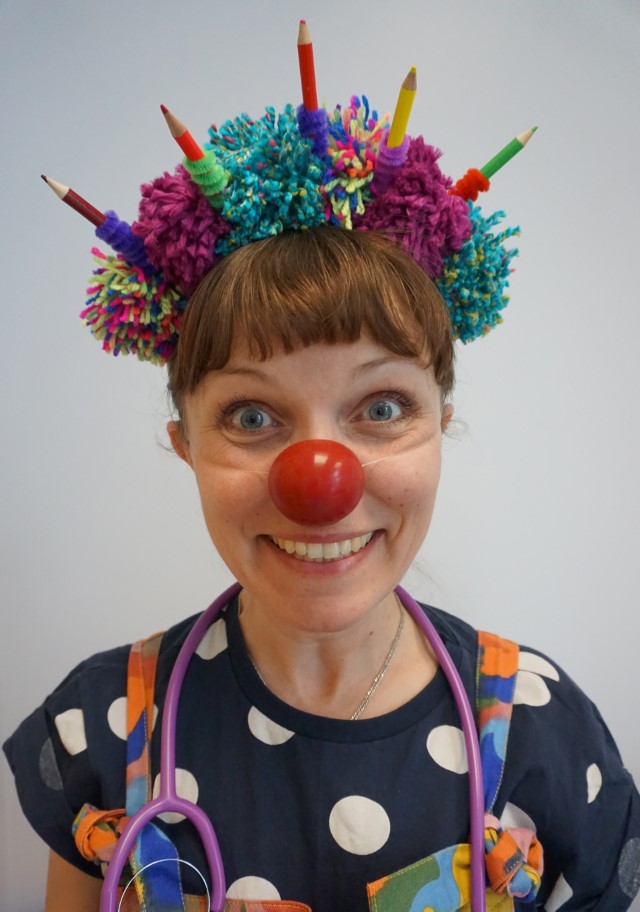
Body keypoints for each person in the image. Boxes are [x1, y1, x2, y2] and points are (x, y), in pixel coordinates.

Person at [4, 62, 640, 912]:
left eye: (381, 405)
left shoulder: (545, 734)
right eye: (252, 417)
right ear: (185, 445)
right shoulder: (103, 724)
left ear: (440, 422)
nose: (322, 483)